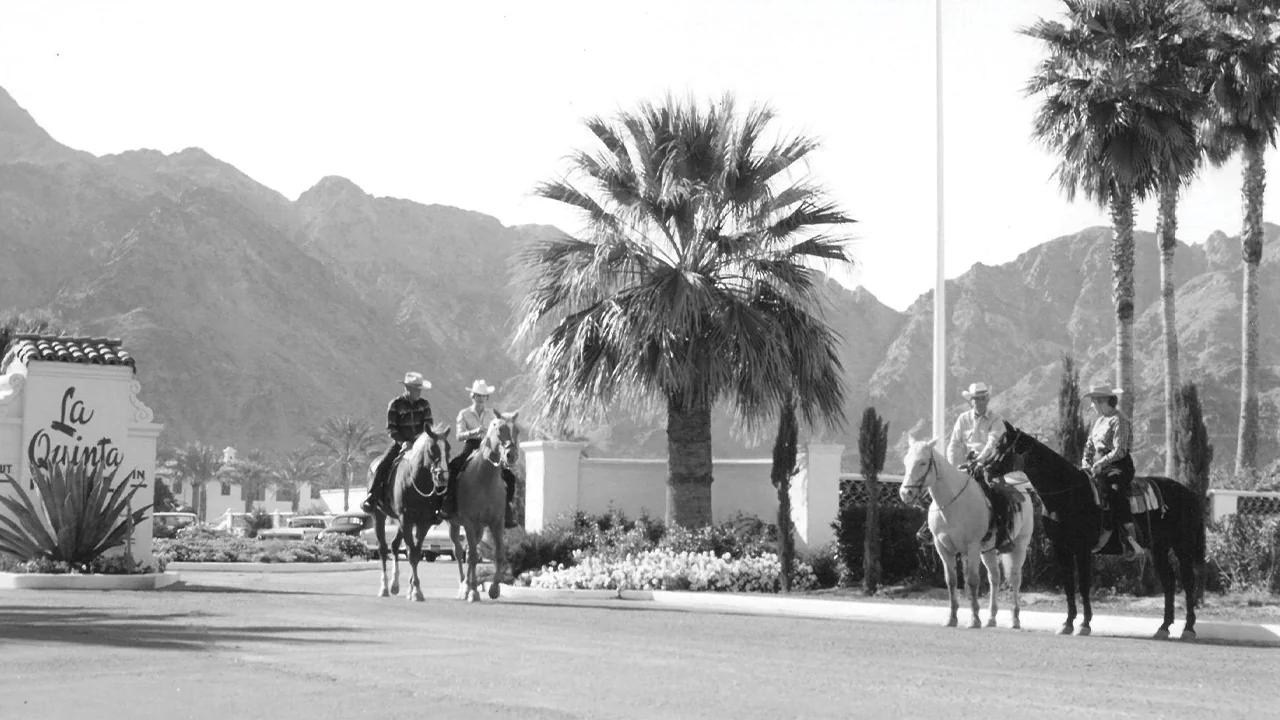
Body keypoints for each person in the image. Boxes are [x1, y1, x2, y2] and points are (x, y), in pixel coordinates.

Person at [919, 382, 1011, 549]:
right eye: (976, 399)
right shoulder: (963, 419)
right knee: (934, 492)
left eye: (983, 398)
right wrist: (954, 467)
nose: (979, 402)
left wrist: (980, 461)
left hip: (989, 464)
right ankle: (930, 527)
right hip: (966, 465)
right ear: (971, 401)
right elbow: (954, 444)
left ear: (987, 399)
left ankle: (1002, 533)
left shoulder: (996, 420)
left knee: (998, 492)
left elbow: (992, 443)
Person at [441, 379, 517, 528]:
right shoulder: (464, 414)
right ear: (473, 396)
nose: (481, 398)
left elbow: (499, 433)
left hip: (488, 447)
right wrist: (474, 432)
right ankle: (448, 503)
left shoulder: (493, 416)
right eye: (478, 395)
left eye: (484, 396)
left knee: (509, 476)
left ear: (487, 398)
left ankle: (507, 509)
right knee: (453, 468)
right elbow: (459, 435)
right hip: (471, 444)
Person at [1081, 384, 1142, 559]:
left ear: (1102, 401)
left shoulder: (1119, 420)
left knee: (1114, 492)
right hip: (1097, 467)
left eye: (1093, 401)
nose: (1092, 405)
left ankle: (1129, 538)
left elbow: (1120, 450)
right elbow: (1089, 446)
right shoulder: (1098, 421)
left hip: (1118, 466)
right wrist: (1086, 462)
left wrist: (1100, 462)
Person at [361, 372, 434, 516]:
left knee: (438, 464)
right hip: (401, 443)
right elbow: (391, 428)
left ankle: (439, 501)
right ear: (407, 388)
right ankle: (372, 497)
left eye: (419, 389)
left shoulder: (424, 404)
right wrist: (403, 442)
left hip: (421, 445)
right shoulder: (395, 404)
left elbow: (429, 426)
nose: (419, 392)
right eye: (416, 389)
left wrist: (420, 442)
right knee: (383, 465)